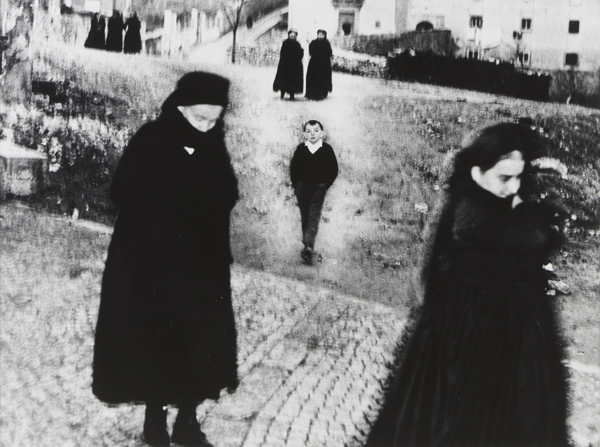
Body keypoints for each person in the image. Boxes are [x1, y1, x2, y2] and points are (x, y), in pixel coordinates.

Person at [366, 123, 569, 447]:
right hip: (466, 334)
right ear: (477, 173)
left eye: (518, 177)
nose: (513, 188)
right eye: (504, 178)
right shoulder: (468, 210)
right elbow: (532, 237)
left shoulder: (499, 205)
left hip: (509, 339)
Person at [92, 72, 239, 447]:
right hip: (151, 262)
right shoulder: (151, 138)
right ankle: (154, 420)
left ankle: (188, 421)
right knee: (156, 338)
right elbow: (121, 189)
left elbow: (228, 192)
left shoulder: (213, 144)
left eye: (213, 120)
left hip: (200, 266)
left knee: (198, 341)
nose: (207, 127)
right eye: (199, 118)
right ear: (181, 108)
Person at [290, 120, 338, 264]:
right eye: (309, 131)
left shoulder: (326, 149)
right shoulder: (301, 149)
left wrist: (325, 184)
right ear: (304, 134)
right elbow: (294, 168)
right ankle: (307, 244)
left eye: (316, 131)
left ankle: (309, 246)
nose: (312, 134)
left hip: (319, 188)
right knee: (305, 215)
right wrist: (297, 185)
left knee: (314, 215)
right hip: (302, 187)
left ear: (322, 133)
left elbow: (333, 169)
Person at [273, 29, 304, 100]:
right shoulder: (285, 43)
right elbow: (282, 53)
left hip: (294, 66)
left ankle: (292, 94)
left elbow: (300, 54)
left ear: (296, 36)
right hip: (285, 65)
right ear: (289, 35)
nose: (292, 37)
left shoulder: (297, 44)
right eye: (291, 35)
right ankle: (282, 93)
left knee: (293, 81)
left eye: (294, 36)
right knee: (284, 80)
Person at [305, 29, 333, 100]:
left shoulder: (327, 43)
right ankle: (311, 93)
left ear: (324, 36)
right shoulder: (313, 42)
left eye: (322, 35)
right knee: (312, 77)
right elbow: (311, 52)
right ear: (317, 35)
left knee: (323, 78)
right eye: (319, 34)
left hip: (324, 64)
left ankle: (322, 93)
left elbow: (329, 53)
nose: (320, 36)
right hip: (314, 63)